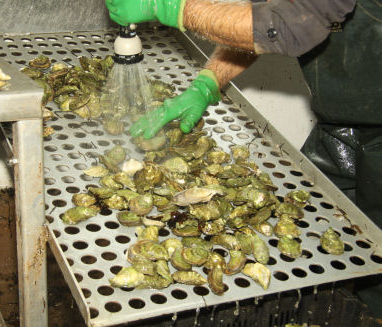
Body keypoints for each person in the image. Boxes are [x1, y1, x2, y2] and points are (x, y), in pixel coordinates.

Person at [106, 0, 382, 316]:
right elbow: (259, 19)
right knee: (309, 234)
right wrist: (208, 82)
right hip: (342, 121)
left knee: (377, 260)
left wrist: (173, 8)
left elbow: (293, 24)